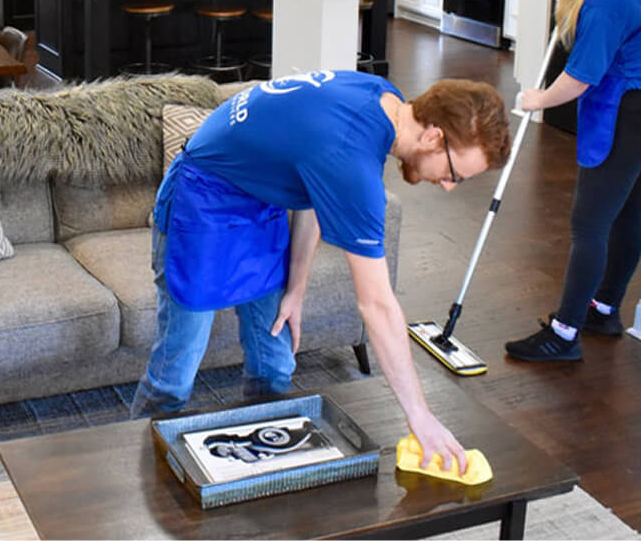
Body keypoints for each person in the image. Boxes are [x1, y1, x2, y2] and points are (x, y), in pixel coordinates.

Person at [131, 70, 511, 473]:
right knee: (174, 379)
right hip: (204, 196)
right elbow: (378, 306)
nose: (449, 186)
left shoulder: (385, 100)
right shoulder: (353, 153)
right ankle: (133, 477)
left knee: (274, 367)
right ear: (434, 137)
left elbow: (316, 186)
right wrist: (420, 417)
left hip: (260, 204)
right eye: (455, 174)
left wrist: (295, 290)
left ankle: (257, 471)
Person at [506, 0, 641, 362]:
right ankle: (604, 308)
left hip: (627, 110)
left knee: (589, 224)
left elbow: (582, 75)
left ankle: (563, 335)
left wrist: (535, 99)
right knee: (628, 215)